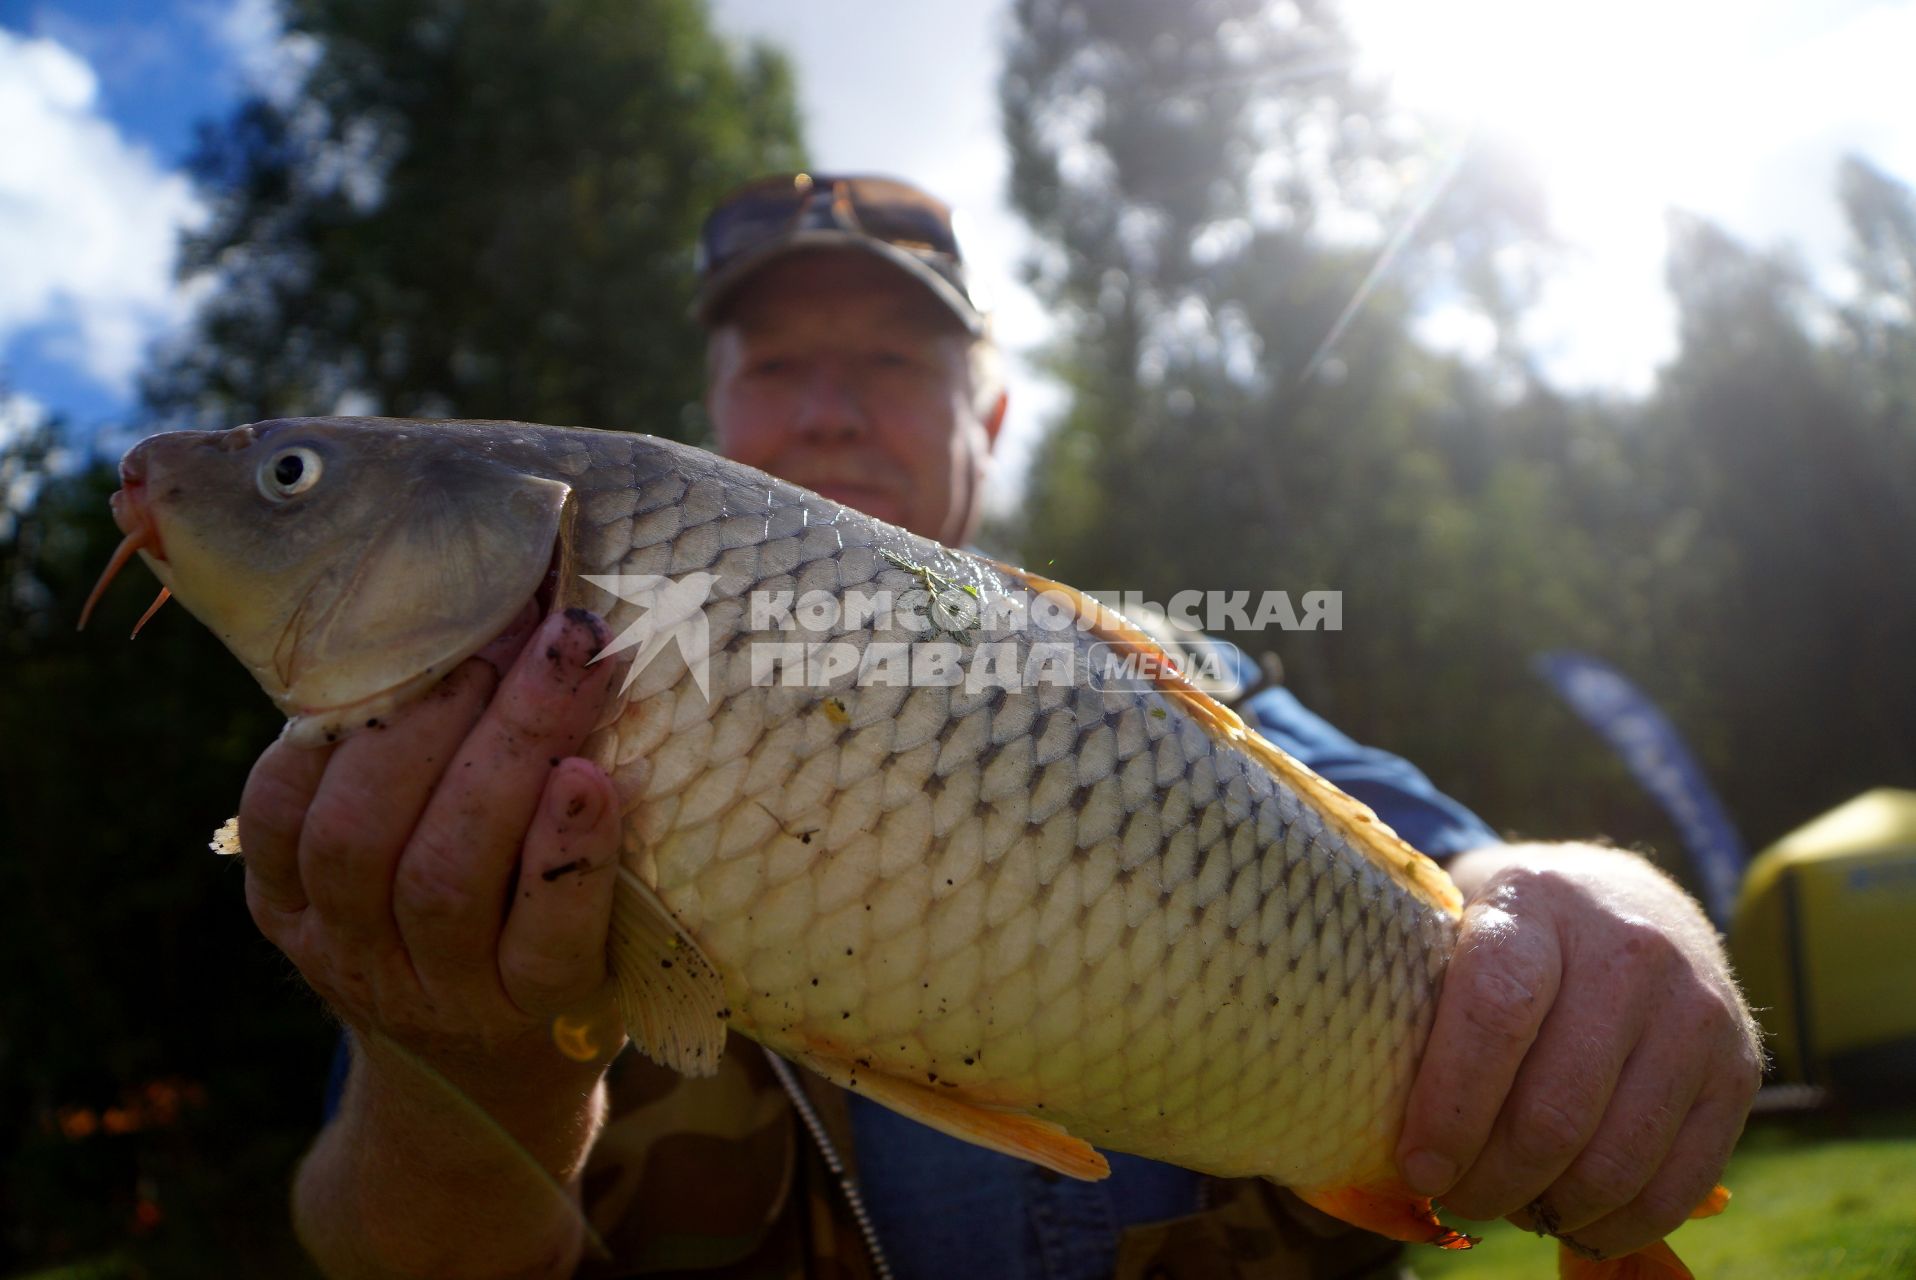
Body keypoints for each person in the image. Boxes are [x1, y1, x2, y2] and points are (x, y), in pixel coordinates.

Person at [245, 174, 1761, 1280]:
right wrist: (470, 1076)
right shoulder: (470, 721)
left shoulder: (1188, 680)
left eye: (895, 362)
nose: (830, 408)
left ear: (989, 418)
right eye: (776, 366)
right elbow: (378, 1243)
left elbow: (1480, 878)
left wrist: (1616, 918)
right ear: (711, 422)